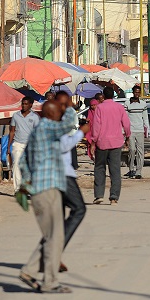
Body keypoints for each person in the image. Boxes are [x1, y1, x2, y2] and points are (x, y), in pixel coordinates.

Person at [17, 100, 76, 294]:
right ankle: (49, 282)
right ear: (52, 115)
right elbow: (68, 125)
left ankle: (29, 270)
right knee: (54, 238)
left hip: (40, 190)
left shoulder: (36, 133)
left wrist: (26, 182)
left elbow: (24, 161)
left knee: (51, 236)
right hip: (48, 190)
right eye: (58, 113)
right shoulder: (48, 128)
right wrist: (68, 108)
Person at [56, 92, 89, 270]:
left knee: (58, 218)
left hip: (58, 173)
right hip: (61, 174)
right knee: (79, 209)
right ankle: (49, 254)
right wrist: (81, 134)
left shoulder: (60, 120)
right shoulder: (54, 123)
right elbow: (63, 145)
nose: (69, 108)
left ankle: (53, 254)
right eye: (66, 104)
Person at [90, 86, 130, 205]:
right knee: (115, 170)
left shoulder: (100, 108)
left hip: (102, 142)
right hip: (116, 142)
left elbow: (96, 126)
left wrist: (93, 141)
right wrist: (127, 137)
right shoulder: (119, 107)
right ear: (113, 95)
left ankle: (99, 195)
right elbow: (126, 124)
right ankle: (114, 197)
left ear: (103, 95)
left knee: (99, 168)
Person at [9, 97, 40, 192]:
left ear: (31, 105)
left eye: (26, 104)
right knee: (16, 165)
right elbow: (12, 131)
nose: (24, 106)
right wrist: (8, 146)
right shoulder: (16, 116)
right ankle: (18, 189)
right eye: (23, 103)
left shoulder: (35, 117)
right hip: (17, 144)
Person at [125, 86, 149, 179]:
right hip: (131, 130)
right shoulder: (127, 104)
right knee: (132, 150)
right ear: (133, 92)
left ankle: (138, 171)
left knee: (140, 151)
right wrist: (125, 131)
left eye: (138, 92)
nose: (137, 94)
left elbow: (145, 118)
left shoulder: (143, 104)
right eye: (135, 92)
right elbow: (125, 118)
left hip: (140, 130)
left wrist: (147, 130)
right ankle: (131, 169)